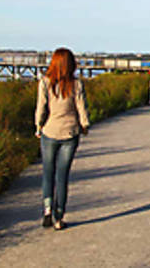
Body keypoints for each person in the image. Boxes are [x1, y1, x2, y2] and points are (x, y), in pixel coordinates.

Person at [35, 47, 90, 231]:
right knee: (62, 176)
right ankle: (59, 218)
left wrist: (38, 126)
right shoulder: (76, 84)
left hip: (50, 131)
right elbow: (81, 106)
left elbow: (41, 108)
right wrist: (84, 125)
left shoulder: (45, 82)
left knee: (47, 173)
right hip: (70, 133)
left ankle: (47, 209)